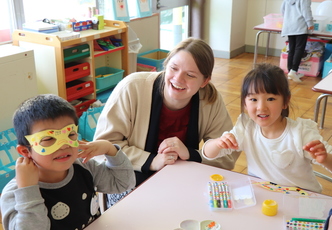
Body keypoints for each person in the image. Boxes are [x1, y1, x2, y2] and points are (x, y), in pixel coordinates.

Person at [94, 37, 241, 206]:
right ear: (166, 64)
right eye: (174, 68)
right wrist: (151, 161)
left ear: (204, 81)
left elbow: (228, 155)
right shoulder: (132, 87)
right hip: (130, 178)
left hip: (181, 180)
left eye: (190, 75)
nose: (178, 79)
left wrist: (192, 155)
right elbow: (103, 146)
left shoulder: (210, 100)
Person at [202, 63, 332, 193]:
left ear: (285, 102)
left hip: (302, 199)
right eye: (253, 99)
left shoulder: (301, 133)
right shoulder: (246, 128)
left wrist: (325, 159)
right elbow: (208, 154)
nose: (261, 107)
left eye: (270, 99)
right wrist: (218, 143)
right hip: (263, 195)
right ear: (245, 104)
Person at [0, 94, 135, 230]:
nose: (64, 146)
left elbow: (123, 183)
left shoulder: (85, 166)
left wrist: (110, 149)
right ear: (25, 151)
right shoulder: (14, 194)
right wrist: (28, 190)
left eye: (70, 134)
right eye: (48, 139)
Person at [281, 0, 314, 82]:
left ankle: (290, 72)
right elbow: (306, 10)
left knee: (291, 49)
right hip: (300, 26)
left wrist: (288, 19)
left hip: (289, 26)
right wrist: (310, 23)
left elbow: (282, 10)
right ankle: (293, 71)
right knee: (299, 49)